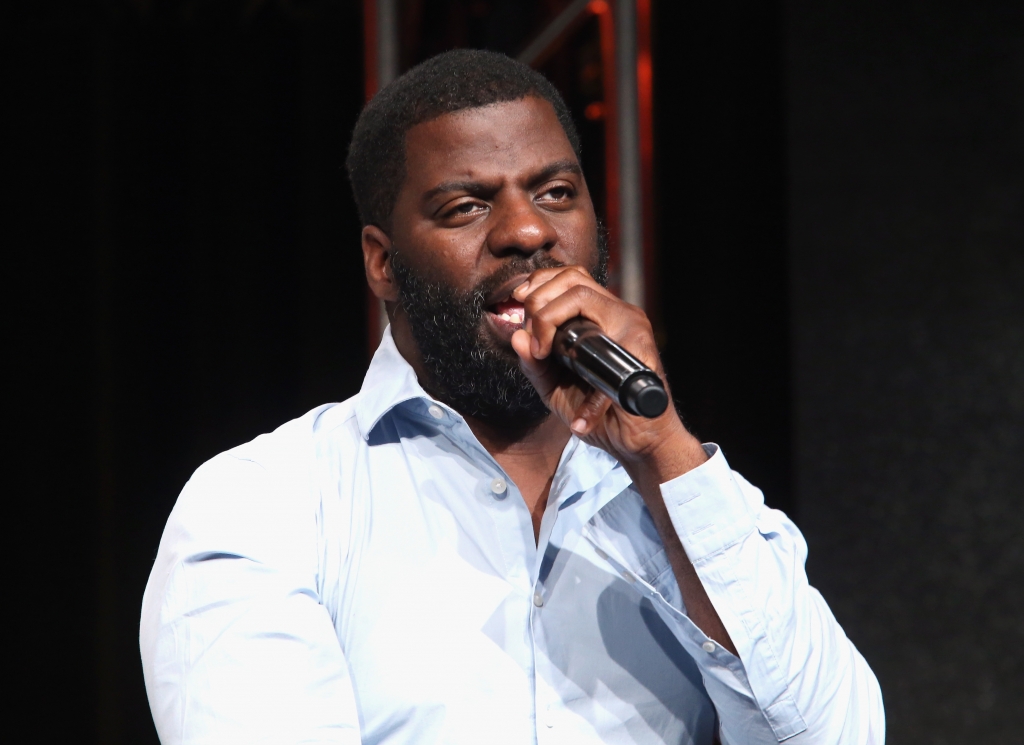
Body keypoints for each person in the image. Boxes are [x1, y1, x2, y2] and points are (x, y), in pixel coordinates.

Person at [140, 49, 884, 744]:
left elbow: (833, 734)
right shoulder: (267, 504)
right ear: (381, 260)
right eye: (466, 206)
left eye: (556, 192)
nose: (528, 231)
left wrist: (663, 456)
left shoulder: (691, 496)